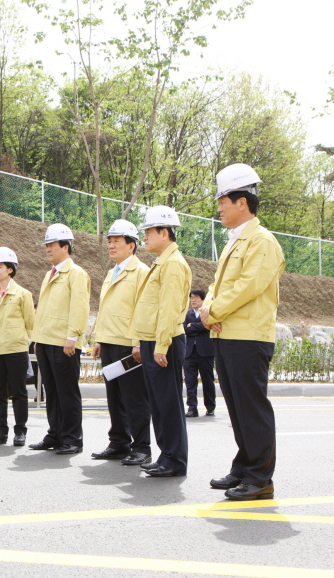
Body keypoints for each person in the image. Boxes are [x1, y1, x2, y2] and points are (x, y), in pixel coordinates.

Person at [201, 163, 285, 501]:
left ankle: (260, 478)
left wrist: (213, 311)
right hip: (228, 334)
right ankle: (244, 467)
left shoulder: (262, 242)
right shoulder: (234, 242)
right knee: (237, 408)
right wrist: (208, 310)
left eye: (223, 200)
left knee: (251, 408)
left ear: (242, 202)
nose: (219, 206)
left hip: (249, 337)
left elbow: (248, 287)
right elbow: (216, 285)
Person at [131, 206, 192, 478]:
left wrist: (160, 346)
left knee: (168, 403)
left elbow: (169, 309)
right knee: (158, 403)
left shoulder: (174, 265)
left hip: (162, 342)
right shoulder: (162, 262)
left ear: (164, 232)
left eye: (148, 231)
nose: (144, 236)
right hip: (151, 341)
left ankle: (175, 460)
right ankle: (166, 455)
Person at [91, 219, 152, 466]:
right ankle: (118, 443)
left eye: (116, 241)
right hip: (110, 341)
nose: (111, 245)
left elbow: (143, 309)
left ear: (132, 245)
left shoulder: (141, 273)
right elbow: (105, 308)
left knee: (135, 398)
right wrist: (99, 339)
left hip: (129, 345)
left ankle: (141, 447)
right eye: (110, 241)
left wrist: (138, 342)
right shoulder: (110, 273)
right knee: (114, 396)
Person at [29, 224, 90, 455]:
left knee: (67, 392)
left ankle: (73, 438)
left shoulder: (76, 274)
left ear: (66, 246)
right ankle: (55, 433)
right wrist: (38, 338)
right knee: (51, 391)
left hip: (64, 342)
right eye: (46, 245)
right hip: (46, 341)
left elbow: (80, 308)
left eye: (52, 245)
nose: (47, 249)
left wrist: (72, 336)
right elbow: (44, 309)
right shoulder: (49, 273)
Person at [0, 247, 35, 446]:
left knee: (19, 392)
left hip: (16, 350)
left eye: (0, 266)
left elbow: (30, 322)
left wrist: (25, 341)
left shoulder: (23, 294)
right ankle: (1, 430)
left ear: (11, 269)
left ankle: (20, 431)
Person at [183, 288, 216, 418]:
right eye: (191, 297)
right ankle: (192, 408)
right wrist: (197, 326)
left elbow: (207, 325)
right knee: (190, 381)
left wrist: (193, 326)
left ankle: (210, 407)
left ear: (203, 299)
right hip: (190, 352)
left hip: (205, 352)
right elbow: (185, 328)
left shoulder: (208, 313)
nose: (193, 300)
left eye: (196, 297)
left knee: (207, 380)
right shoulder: (187, 314)